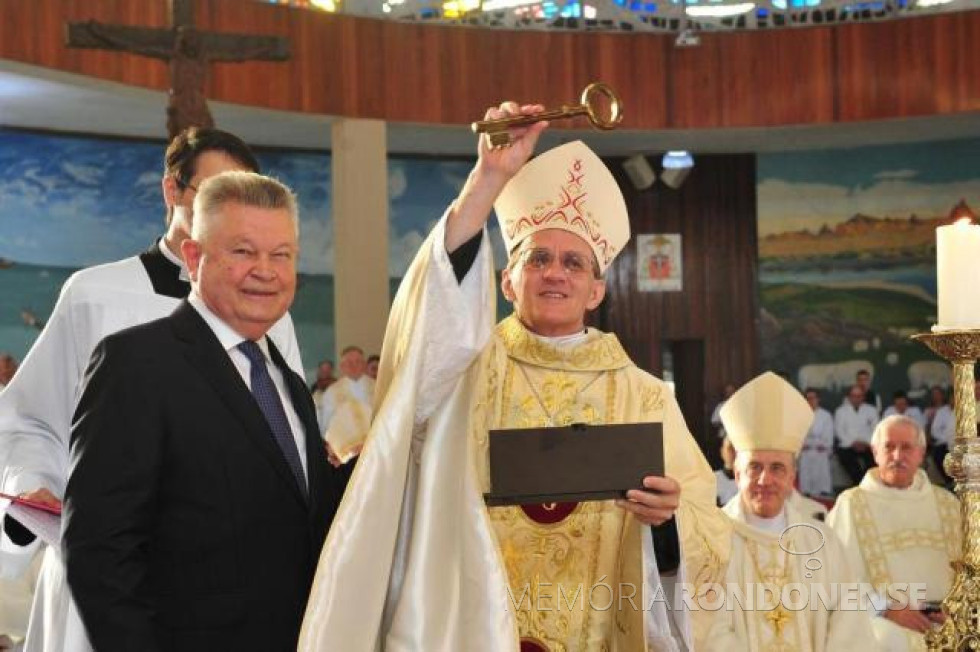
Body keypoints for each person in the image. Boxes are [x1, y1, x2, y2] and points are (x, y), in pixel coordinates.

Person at [298, 107, 730, 651]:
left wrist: (666, 523)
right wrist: (488, 181)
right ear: (507, 281)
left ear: (596, 291)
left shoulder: (642, 395)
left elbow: (703, 526)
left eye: (574, 263)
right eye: (538, 258)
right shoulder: (463, 371)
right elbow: (430, 324)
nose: (555, 273)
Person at [0, 127, 304, 652]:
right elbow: (32, 418)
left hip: (230, 596)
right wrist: (36, 484)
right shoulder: (95, 295)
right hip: (111, 580)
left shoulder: (271, 312)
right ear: (172, 190)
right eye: (213, 191)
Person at [63, 171, 341, 651]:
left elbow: (295, 516)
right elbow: (99, 551)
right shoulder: (136, 364)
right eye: (243, 251)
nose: (266, 271)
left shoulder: (289, 383)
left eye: (281, 255)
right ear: (194, 258)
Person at [707, 372, 876, 651]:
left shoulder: (821, 542)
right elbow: (709, 628)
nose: (765, 480)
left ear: (791, 477)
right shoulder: (711, 541)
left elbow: (849, 619)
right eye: (754, 467)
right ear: (737, 474)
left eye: (777, 468)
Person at [827, 415, 960, 651]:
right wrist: (886, 609)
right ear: (875, 452)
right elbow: (835, 575)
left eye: (906, 447)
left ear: (921, 453)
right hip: (886, 621)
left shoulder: (948, 504)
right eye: (889, 447)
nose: (897, 456)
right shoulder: (851, 505)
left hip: (949, 619)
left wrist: (958, 610)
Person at [320, 345, 375, 468]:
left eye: (358, 362)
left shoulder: (377, 388)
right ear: (342, 366)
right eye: (349, 362)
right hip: (345, 454)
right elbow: (325, 425)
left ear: (364, 364)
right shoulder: (331, 392)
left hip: (374, 450)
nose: (354, 366)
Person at [835, 384, 879, 485]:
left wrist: (866, 443)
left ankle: (869, 484)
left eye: (859, 396)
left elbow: (876, 429)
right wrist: (853, 443)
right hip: (848, 444)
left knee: (873, 460)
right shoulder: (840, 411)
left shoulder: (871, 410)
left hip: (867, 444)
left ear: (863, 397)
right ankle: (860, 484)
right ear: (849, 397)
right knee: (848, 460)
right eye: (854, 396)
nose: (856, 399)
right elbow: (839, 431)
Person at [799, 387, 835, 497]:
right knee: (805, 458)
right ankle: (805, 491)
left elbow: (828, 435)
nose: (810, 401)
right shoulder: (799, 415)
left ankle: (823, 491)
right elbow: (798, 435)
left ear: (818, 399)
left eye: (813, 398)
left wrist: (821, 444)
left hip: (821, 450)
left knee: (821, 458)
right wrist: (804, 445)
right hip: (805, 450)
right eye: (808, 398)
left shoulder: (826, 415)